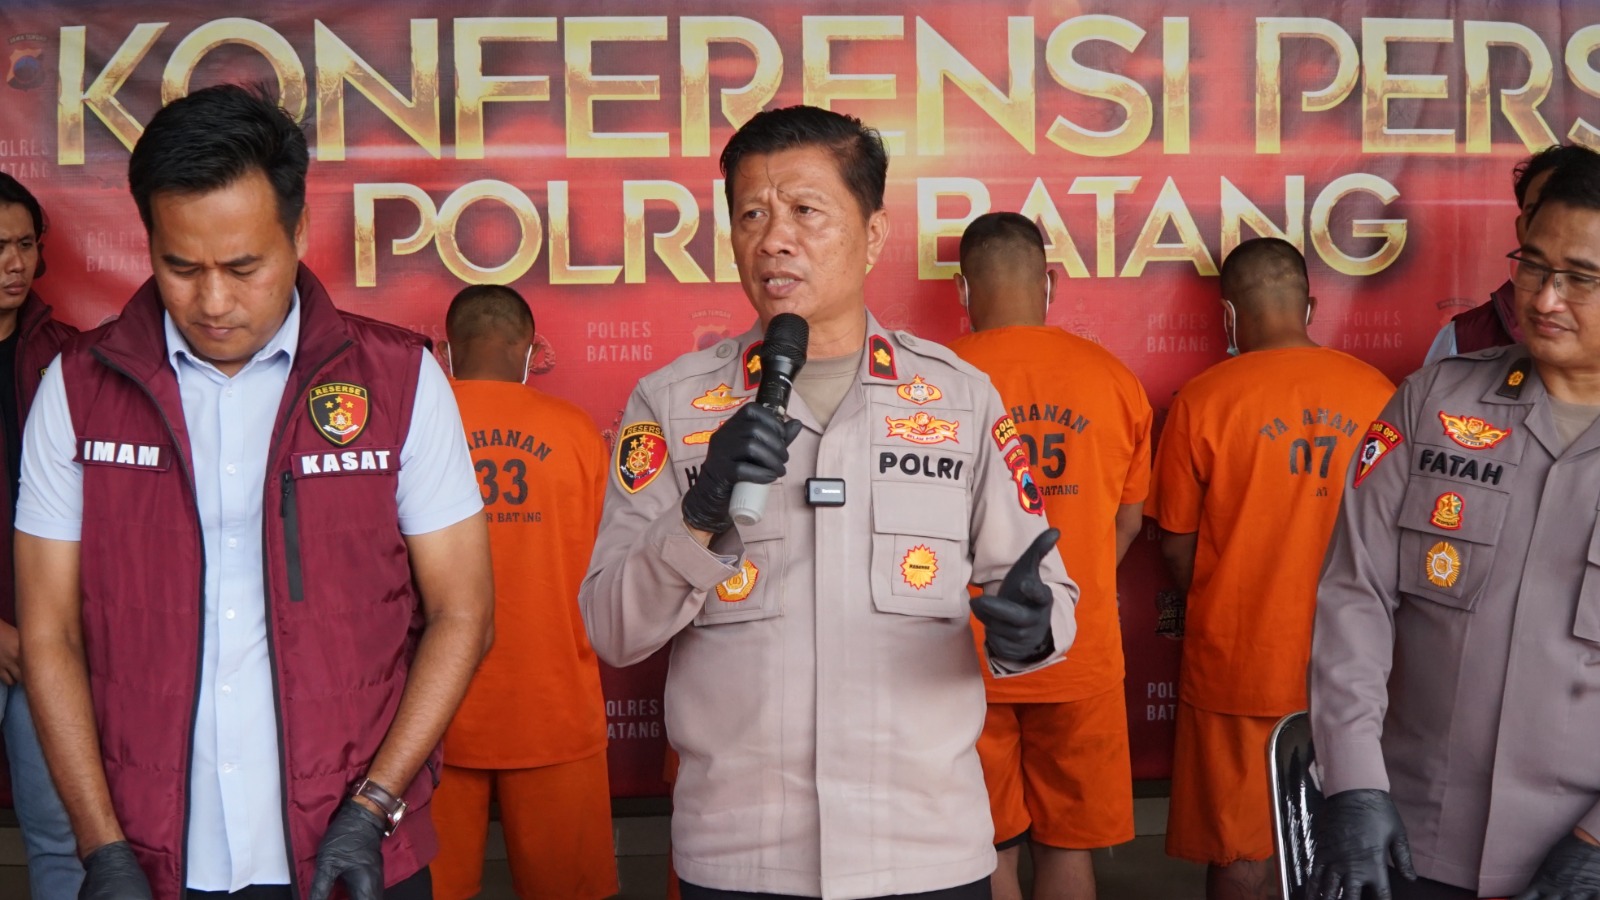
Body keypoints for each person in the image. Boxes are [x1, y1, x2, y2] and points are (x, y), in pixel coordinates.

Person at [580, 105, 1079, 900]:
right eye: (752, 215)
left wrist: (1033, 626)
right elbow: (613, 628)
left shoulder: (959, 398)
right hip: (741, 856)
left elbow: (1045, 596)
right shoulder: (671, 404)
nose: (774, 239)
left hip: (927, 850)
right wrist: (700, 511)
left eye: (806, 211)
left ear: (874, 235)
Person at [15, 83, 493, 900]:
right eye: (180, 267)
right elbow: (49, 633)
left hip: (352, 853)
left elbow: (464, 613)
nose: (213, 302)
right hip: (153, 863)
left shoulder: (401, 382)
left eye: (243, 267)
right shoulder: (76, 389)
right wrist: (102, 846)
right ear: (148, 238)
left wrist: (374, 806)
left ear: (298, 232)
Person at [1309, 146, 1600, 900]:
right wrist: (1353, 783)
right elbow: (1356, 596)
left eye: (1581, 278)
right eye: (1534, 266)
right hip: (1414, 839)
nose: (1546, 298)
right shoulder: (1434, 401)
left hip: (1579, 856)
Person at [1149, 237, 1394, 900]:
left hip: (1239, 659)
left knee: (1239, 850)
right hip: (1359, 664)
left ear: (1229, 315)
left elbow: (1174, 545)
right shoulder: (1377, 393)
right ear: (1310, 304)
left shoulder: (1203, 399)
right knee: (1352, 844)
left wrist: (1227, 598)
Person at [946, 212, 1152, 900]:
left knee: (989, 853)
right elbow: (1128, 524)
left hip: (963, 660)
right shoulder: (1114, 379)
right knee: (1069, 851)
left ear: (963, 289)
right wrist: (1068, 589)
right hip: (1079, 652)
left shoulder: (935, 382)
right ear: (1051, 282)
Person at [432, 284, 617, 900]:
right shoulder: (574, 429)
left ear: (445, 351)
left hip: (431, 711)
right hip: (553, 701)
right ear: (531, 351)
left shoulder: (414, 424)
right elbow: (611, 560)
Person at [0, 173, 81, 899]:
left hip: (51, 639)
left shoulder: (70, 357)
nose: (14, 263)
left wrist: (52, 628)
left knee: (62, 834)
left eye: (25, 245)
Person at [1422, 143, 1592, 366]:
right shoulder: (1463, 338)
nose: (1553, 225)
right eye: (1537, 212)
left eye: (1571, 212)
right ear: (1520, 226)